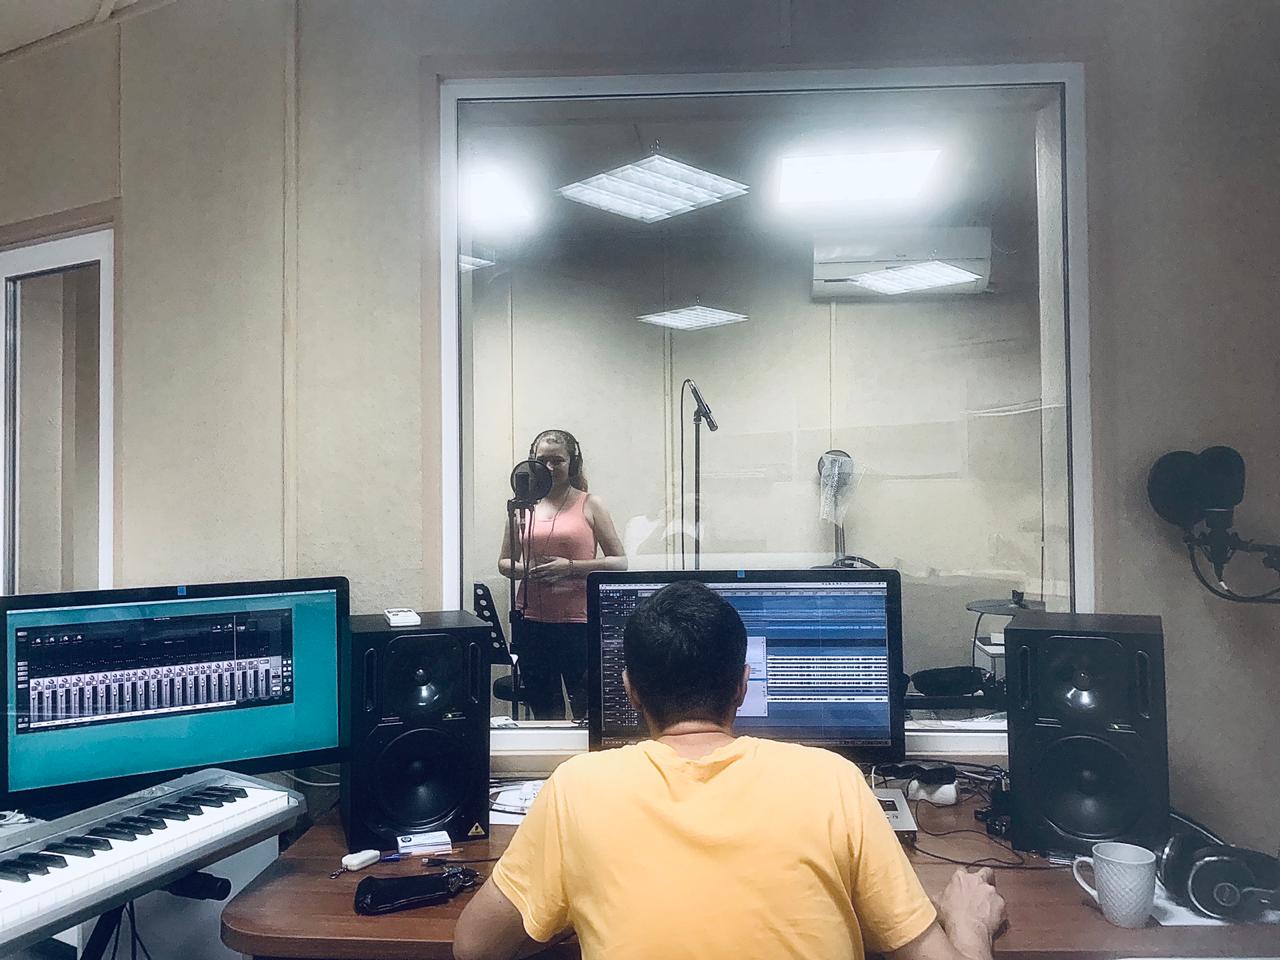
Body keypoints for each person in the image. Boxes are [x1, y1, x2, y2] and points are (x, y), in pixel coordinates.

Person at [455, 580, 1007, 960]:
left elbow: (473, 946)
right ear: (744, 685)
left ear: (630, 690)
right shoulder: (833, 781)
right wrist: (969, 923)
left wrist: (574, 900)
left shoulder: (577, 789)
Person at [497, 428, 627, 720]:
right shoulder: (520, 507)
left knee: (586, 709)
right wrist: (529, 571)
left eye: (558, 460)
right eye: (543, 460)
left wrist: (569, 567)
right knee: (544, 709)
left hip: (579, 623)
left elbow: (620, 562)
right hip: (531, 622)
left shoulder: (591, 504)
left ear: (573, 463)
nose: (550, 467)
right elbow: (504, 563)